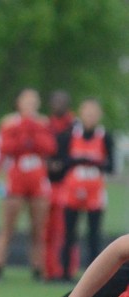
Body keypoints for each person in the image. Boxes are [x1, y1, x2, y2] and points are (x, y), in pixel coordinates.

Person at [0, 88, 57, 279]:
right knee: (8, 226)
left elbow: (49, 147)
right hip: (16, 179)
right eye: (26, 101)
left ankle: (38, 267)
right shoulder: (9, 122)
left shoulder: (43, 122)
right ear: (18, 103)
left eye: (33, 101)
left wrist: (32, 133)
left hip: (37, 179)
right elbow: (5, 147)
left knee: (38, 227)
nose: (30, 105)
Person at [54, 98, 114, 282]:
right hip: (72, 190)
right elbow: (60, 162)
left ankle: (94, 276)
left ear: (99, 115)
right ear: (80, 113)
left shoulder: (105, 136)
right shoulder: (70, 135)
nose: (90, 117)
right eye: (87, 112)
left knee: (94, 234)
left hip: (94, 192)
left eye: (94, 113)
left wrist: (95, 162)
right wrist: (76, 161)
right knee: (69, 232)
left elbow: (111, 165)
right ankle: (65, 272)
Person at [43, 90, 76, 281]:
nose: (58, 105)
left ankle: (65, 268)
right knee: (47, 230)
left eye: (61, 101)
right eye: (55, 101)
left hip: (66, 183)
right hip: (48, 183)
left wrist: (62, 164)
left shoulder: (74, 126)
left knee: (64, 229)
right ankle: (49, 269)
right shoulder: (47, 125)